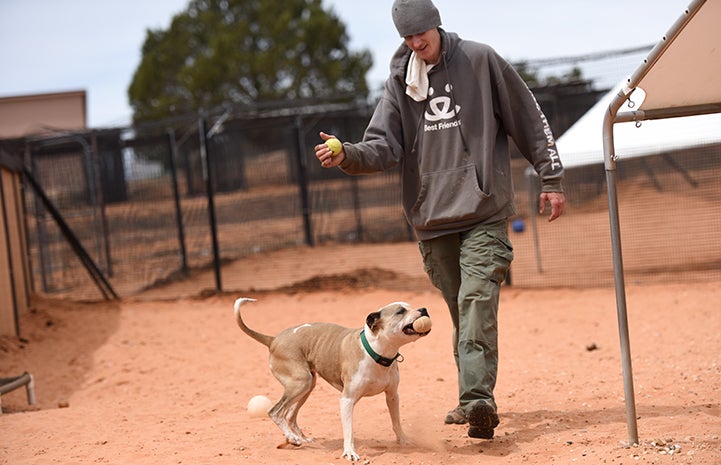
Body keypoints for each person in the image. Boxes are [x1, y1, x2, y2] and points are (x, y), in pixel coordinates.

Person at [314, 0, 565, 440]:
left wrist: (551, 177)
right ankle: (472, 395)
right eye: (407, 38)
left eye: (420, 34)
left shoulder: (480, 60)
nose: (415, 43)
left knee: (476, 301)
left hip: (484, 210)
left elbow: (529, 118)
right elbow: (383, 146)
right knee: (460, 309)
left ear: (436, 24)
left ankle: (476, 401)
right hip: (432, 219)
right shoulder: (400, 81)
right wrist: (347, 154)